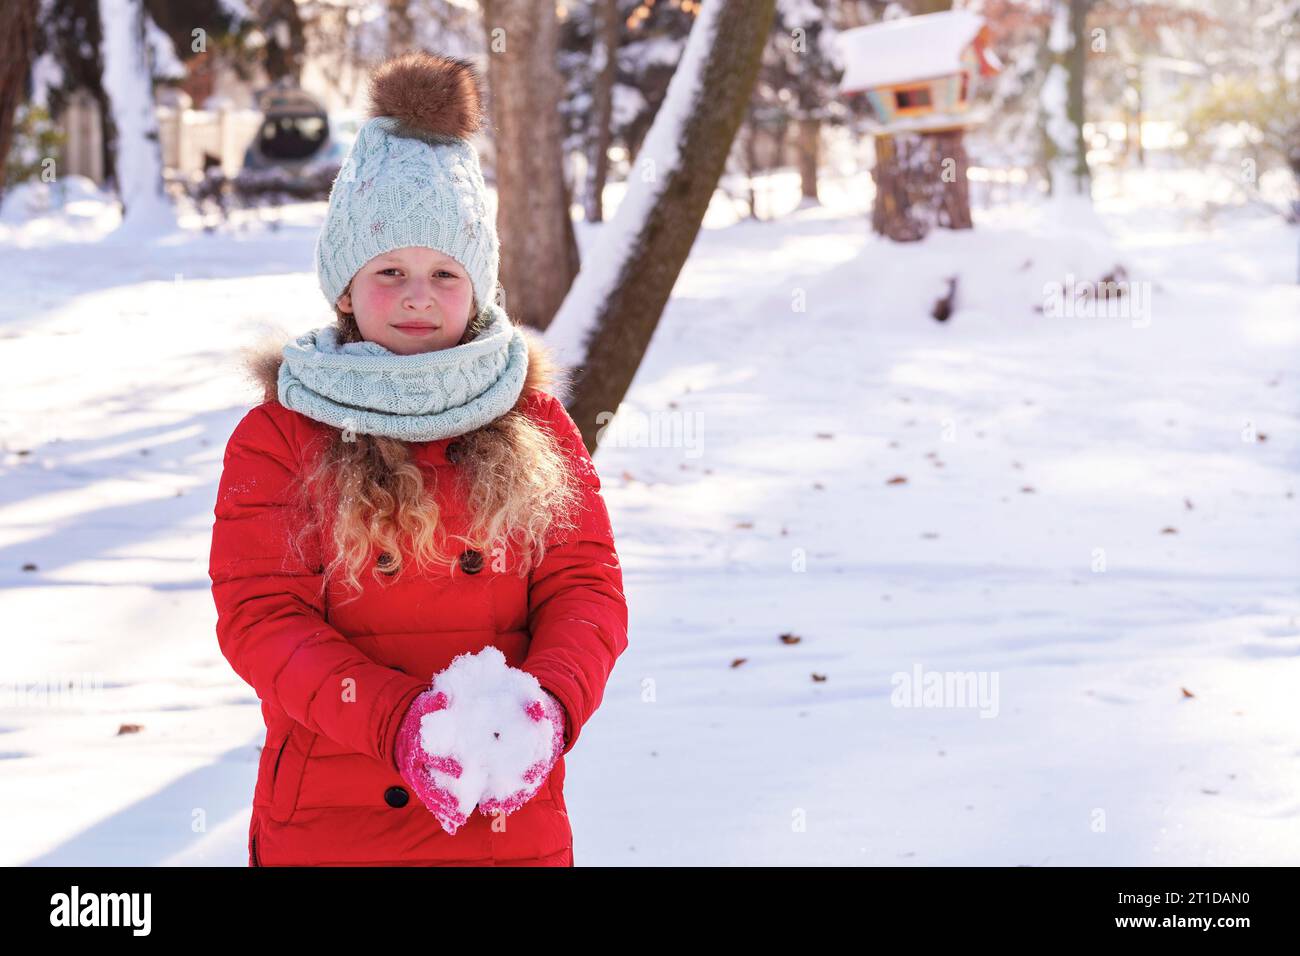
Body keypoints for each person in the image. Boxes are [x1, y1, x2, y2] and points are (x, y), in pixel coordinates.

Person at [208, 51, 628, 867]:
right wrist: (399, 721)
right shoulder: (283, 434)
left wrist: (548, 703)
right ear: (344, 287)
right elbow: (261, 616)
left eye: (445, 273)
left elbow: (586, 585)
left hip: (505, 816)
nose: (417, 296)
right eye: (389, 271)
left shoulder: (533, 422)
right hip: (334, 818)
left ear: (481, 290)